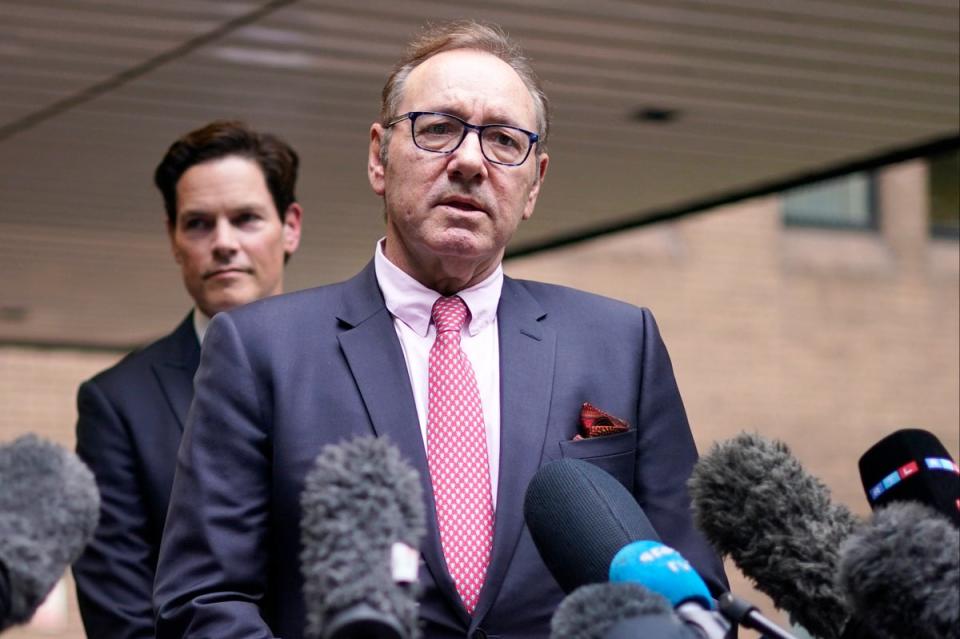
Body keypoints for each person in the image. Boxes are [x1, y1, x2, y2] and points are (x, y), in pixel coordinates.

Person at [154, 21, 727, 638]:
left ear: (534, 184)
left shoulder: (622, 343)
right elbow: (205, 600)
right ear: (379, 157)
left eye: (504, 141)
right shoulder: (259, 349)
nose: (469, 163)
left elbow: (694, 589)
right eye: (438, 130)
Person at [72, 120, 303, 639]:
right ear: (174, 240)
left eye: (245, 219)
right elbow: (122, 617)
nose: (222, 243)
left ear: (290, 226)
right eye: (198, 223)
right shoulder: (117, 404)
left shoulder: (354, 363)